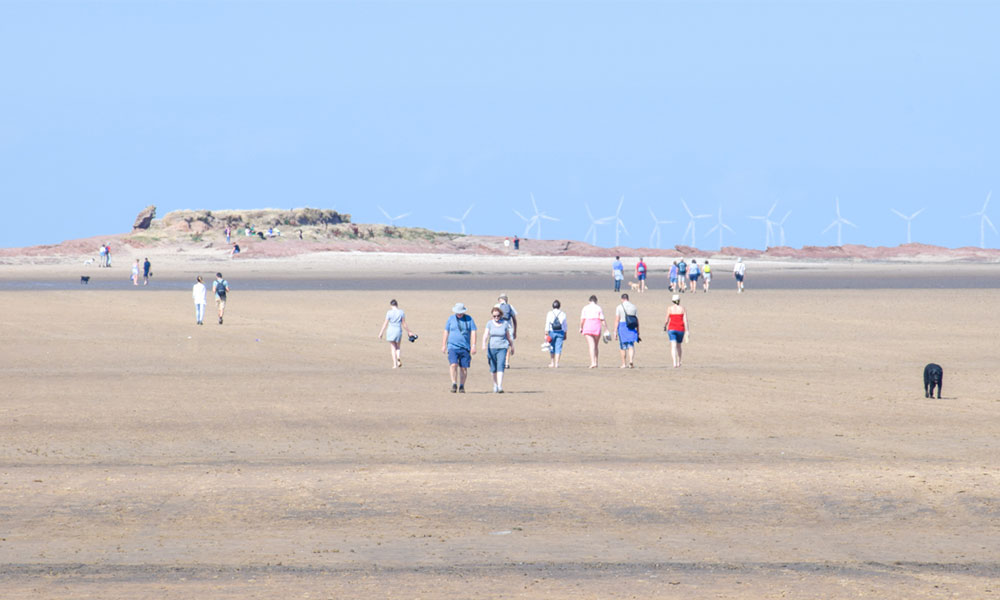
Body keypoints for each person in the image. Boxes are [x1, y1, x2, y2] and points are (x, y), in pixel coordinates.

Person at [442, 302, 477, 393]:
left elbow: (473, 332)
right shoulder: (451, 319)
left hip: (465, 347)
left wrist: (473, 345)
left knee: (463, 367)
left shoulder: (469, 319)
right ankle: (454, 383)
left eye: (461, 312)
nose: (459, 314)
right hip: (452, 346)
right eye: (458, 312)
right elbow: (446, 331)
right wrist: (443, 345)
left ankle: (462, 385)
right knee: (453, 364)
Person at [482, 306, 515, 393]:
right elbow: (485, 335)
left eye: (498, 316)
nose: (496, 317)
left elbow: (508, 336)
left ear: (500, 315)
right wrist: (483, 344)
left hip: (502, 347)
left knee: (500, 365)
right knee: (493, 368)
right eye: (494, 316)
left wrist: (512, 346)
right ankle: (495, 384)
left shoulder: (504, 324)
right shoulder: (489, 323)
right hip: (492, 347)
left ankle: (500, 386)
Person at [378, 299, 414, 368]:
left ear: (391, 305)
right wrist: (409, 331)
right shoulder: (401, 312)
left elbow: (385, 323)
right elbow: (404, 324)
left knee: (393, 347)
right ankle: (398, 357)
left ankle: (394, 364)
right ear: (397, 305)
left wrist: (381, 333)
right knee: (398, 347)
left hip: (391, 331)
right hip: (398, 330)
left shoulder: (389, 312)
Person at [579, 295, 608, 369]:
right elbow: (602, 319)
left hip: (588, 326)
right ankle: (596, 362)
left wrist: (581, 327)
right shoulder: (598, 308)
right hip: (596, 326)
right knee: (596, 345)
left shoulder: (585, 308)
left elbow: (582, 320)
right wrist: (606, 328)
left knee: (591, 345)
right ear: (596, 301)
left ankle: (593, 362)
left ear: (589, 301)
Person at [614, 293, 640, 368]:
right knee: (631, 345)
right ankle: (631, 361)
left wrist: (615, 331)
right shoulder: (633, 307)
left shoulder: (619, 307)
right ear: (628, 298)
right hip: (631, 326)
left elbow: (617, 319)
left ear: (622, 299)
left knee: (623, 346)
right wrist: (638, 331)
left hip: (622, 326)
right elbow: (637, 320)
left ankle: (624, 364)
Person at [664, 294, 690, 368]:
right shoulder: (682, 309)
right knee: (679, 346)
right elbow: (685, 320)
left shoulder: (670, 308)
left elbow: (666, 319)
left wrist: (665, 326)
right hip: (680, 329)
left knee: (673, 345)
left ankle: (674, 363)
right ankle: (679, 361)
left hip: (672, 328)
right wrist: (687, 330)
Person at [494, 293, 518, 368]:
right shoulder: (510, 306)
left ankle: (499, 361)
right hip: (509, 327)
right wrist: (515, 331)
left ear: (499, 300)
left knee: (498, 344)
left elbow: (493, 318)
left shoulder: (496, 306)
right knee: (507, 345)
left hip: (499, 327)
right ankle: (506, 363)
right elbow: (514, 320)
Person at [544, 299, 568, 368]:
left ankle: (552, 362)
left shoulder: (550, 313)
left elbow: (547, 323)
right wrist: (565, 333)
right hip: (560, 332)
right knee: (558, 348)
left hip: (552, 332)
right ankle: (557, 363)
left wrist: (546, 332)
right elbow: (565, 325)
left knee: (552, 347)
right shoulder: (563, 313)